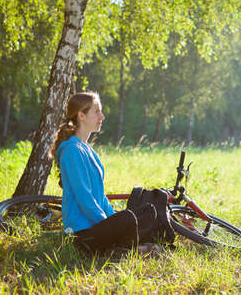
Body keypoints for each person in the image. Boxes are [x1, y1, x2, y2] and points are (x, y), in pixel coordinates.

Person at [49, 91, 160, 255]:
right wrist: (110, 223)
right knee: (127, 219)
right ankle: (129, 249)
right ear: (81, 115)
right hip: (81, 234)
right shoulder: (72, 151)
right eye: (96, 112)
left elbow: (100, 197)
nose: (102, 116)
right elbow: (84, 198)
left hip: (97, 226)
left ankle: (122, 247)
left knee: (148, 211)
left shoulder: (87, 150)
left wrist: (114, 218)